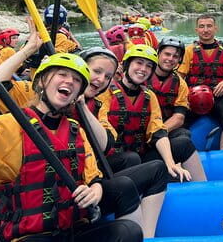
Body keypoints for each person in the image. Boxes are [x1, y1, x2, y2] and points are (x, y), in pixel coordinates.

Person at [0, 45, 142, 241]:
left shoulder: (75, 130)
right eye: (62, 74)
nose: (69, 81)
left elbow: (94, 178)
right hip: (28, 235)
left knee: (128, 231)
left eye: (77, 80)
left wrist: (95, 191)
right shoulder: (12, 125)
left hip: (70, 229)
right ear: (42, 81)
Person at [77, 47, 167, 238]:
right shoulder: (102, 95)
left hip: (94, 175)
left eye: (107, 76)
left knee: (137, 161)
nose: (100, 79)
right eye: (96, 71)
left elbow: (105, 143)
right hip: (70, 188)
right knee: (130, 162)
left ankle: (146, 236)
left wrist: (171, 162)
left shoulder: (96, 104)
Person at [98, 44, 207, 181]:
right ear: (127, 64)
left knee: (183, 144)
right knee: (132, 158)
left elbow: (157, 131)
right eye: (139, 63)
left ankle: (202, 187)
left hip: (140, 153)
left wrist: (170, 163)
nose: (143, 69)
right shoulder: (105, 93)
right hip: (112, 160)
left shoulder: (149, 96)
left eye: (149, 66)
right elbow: (102, 130)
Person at [178, 14, 223, 150]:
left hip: (218, 98)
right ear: (196, 30)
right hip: (193, 99)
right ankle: (185, 152)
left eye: (209, 26)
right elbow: (179, 77)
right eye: (202, 26)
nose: (205, 30)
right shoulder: (189, 51)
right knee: (180, 122)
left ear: (215, 28)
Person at [146, 37, 191, 140]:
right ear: (158, 54)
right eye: (167, 54)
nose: (170, 59)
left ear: (179, 59)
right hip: (141, 127)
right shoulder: (142, 74)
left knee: (184, 137)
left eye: (175, 56)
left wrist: (157, 134)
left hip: (164, 127)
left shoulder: (181, 84)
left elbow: (179, 117)